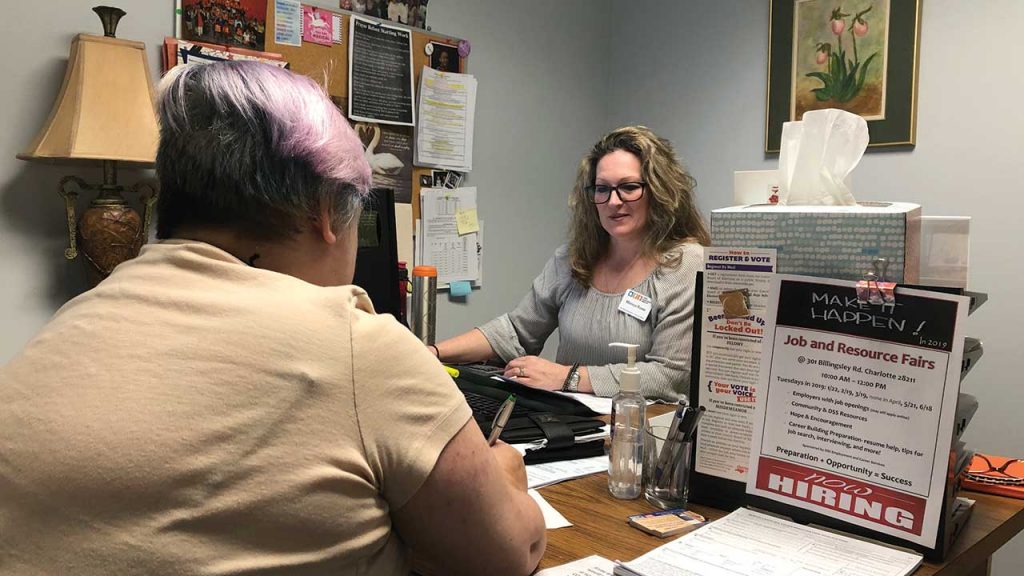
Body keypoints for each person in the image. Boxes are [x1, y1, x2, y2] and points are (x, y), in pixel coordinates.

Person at [0, 62, 545, 576]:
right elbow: (509, 554)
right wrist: (506, 478)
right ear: (328, 215)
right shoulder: (356, 344)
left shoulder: (68, 324)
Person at [433, 126, 710, 402]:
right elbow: (517, 331)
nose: (614, 201)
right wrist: (432, 353)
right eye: (602, 189)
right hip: (573, 423)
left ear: (660, 191)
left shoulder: (686, 264)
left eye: (629, 187)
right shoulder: (573, 259)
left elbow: (669, 375)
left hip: (644, 431)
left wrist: (568, 377)